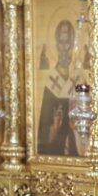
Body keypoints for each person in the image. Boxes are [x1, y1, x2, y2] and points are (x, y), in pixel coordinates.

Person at [36, 20, 79, 156]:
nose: (64, 48)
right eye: (61, 42)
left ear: (73, 44)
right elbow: (43, 128)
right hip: (55, 150)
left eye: (68, 42)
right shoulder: (51, 81)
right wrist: (53, 128)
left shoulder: (78, 77)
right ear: (56, 44)